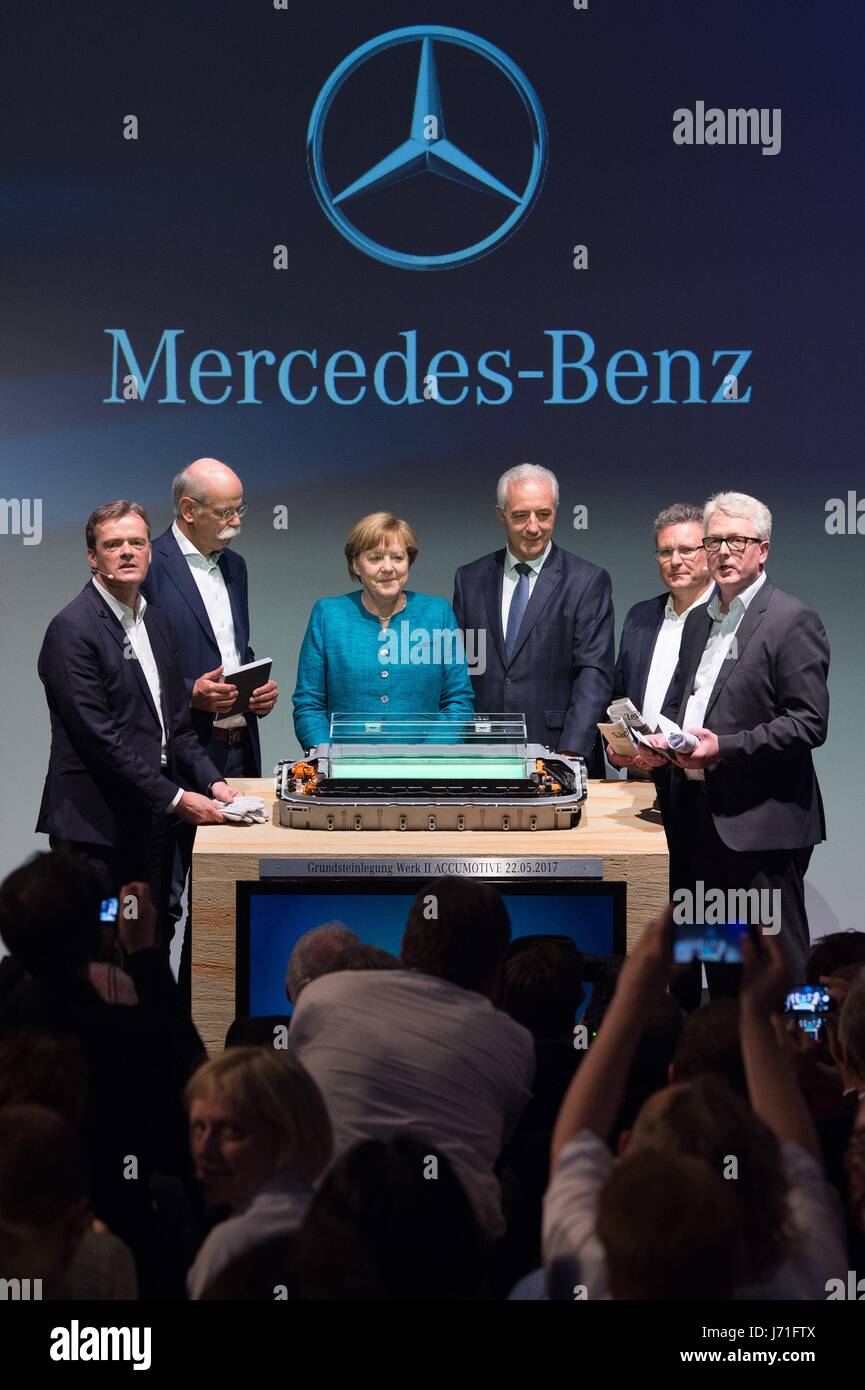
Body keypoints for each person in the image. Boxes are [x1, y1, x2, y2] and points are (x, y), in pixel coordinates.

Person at [542, 911, 848, 1300]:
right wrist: (755, 1013)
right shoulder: (807, 1277)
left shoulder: (581, 1277)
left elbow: (571, 1145)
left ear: (624, 1151)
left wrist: (631, 996)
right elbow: (801, 1159)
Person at [630, 491, 830, 994]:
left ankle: (798, 1068)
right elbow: (682, 706)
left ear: (762, 549)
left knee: (775, 972)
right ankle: (722, 1066)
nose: (723, 551)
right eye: (714, 540)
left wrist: (725, 747)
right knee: (718, 969)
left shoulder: (791, 619)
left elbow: (808, 723)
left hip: (759, 828)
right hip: (695, 823)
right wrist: (657, 744)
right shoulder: (699, 619)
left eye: (736, 541)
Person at [289, 878, 535, 1236]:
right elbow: (497, 1145)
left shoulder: (322, 994)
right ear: (499, 974)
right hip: (457, 1251)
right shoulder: (514, 1042)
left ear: (404, 951)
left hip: (326, 1240)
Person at [35, 501, 238, 936]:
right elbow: (101, 739)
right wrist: (180, 800)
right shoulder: (71, 630)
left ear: (150, 552)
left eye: (137, 542)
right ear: (93, 557)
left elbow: (177, 729)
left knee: (148, 942)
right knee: (100, 948)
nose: (127, 552)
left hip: (151, 822)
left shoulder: (159, 625)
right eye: (113, 544)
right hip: (96, 833)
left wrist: (214, 783)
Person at [141, 460, 278, 987]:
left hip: (238, 745)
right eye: (226, 512)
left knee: (222, 898)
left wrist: (253, 688)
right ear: (188, 510)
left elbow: (229, 648)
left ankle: (203, 1023)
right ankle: (159, 1034)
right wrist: (189, 694)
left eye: (240, 509)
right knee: (164, 900)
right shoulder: (149, 564)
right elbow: (134, 665)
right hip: (177, 752)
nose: (237, 521)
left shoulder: (235, 565)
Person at [453, 464, 614, 776]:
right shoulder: (468, 579)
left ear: (555, 511)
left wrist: (570, 754)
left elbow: (594, 674)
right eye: (520, 515)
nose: (533, 526)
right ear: (501, 515)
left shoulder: (587, 580)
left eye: (543, 514)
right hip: (482, 756)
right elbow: (461, 670)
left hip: (558, 752)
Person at [293, 512, 474, 750]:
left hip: (425, 772)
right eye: (375, 558)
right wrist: (330, 759)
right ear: (356, 564)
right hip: (345, 773)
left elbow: (458, 701)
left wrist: (427, 758)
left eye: (398, 557)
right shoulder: (328, 614)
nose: (388, 568)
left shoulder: (437, 613)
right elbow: (309, 704)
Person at [185, 1047, 332, 1299]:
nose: (205, 1148)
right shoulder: (339, 1227)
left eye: (232, 1130)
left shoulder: (232, 1245)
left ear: (287, 1136)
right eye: (199, 1127)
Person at [611, 502, 712, 744]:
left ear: (710, 551)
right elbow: (618, 695)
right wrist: (620, 747)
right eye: (666, 552)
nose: (675, 561)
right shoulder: (640, 616)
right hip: (641, 771)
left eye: (687, 550)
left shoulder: (728, 618)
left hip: (697, 773)